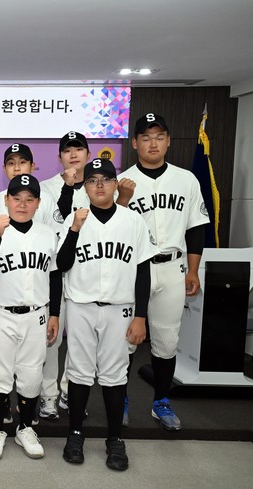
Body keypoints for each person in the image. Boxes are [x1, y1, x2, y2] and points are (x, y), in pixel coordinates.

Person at [56, 158, 157, 471]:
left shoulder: (133, 221)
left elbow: (143, 272)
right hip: (81, 305)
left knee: (115, 375)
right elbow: (62, 263)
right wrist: (74, 229)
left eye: (106, 179)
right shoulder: (74, 219)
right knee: (79, 372)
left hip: (119, 308)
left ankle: (115, 439)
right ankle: (75, 434)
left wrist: (141, 316)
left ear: (116, 184)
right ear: (84, 187)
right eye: (92, 180)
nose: (99, 185)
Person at [116, 113, 209, 430]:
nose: (152, 143)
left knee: (167, 341)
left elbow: (196, 228)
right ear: (135, 143)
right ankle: (120, 399)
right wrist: (123, 199)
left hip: (172, 268)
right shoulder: (122, 182)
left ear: (168, 140)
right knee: (127, 340)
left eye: (158, 136)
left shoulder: (186, 180)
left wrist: (193, 271)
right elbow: (113, 228)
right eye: (146, 137)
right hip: (134, 270)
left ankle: (161, 401)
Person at [0, 174, 60, 461]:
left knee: (31, 374)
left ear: (38, 203)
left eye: (29, 199)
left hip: (37, 314)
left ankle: (25, 427)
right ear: (6, 200)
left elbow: (55, 276)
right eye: (16, 198)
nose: (22, 204)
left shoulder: (47, 234)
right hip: (1, 312)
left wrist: (55, 314)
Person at [38, 131, 93, 420]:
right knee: (52, 338)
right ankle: (48, 395)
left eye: (79, 149)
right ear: (59, 156)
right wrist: (68, 187)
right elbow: (56, 222)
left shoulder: (98, 185)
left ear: (88, 154)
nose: (73, 154)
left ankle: (70, 391)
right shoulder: (45, 188)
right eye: (68, 150)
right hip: (55, 270)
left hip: (86, 270)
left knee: (80, 338)